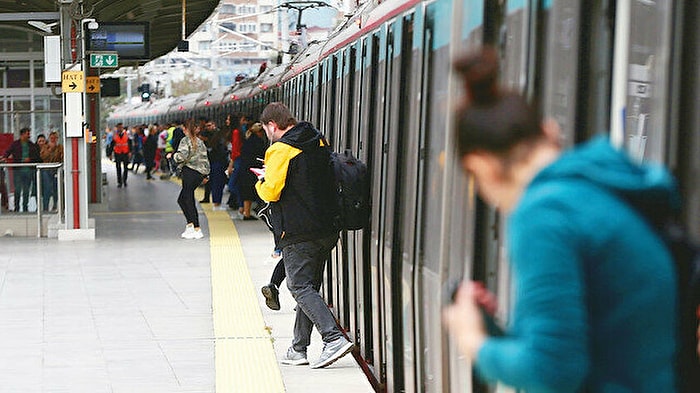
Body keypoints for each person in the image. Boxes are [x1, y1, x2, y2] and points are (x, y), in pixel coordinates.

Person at [442, 47, 679, 392]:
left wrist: (474, 342)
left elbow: (551, 370)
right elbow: (592, 346)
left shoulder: (542, 213)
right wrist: (500, 335)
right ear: (549, 133)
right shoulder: (605, 188)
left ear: (481, 165)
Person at [255, 102, 353, 368]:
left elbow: (271, 191)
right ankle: (298, 348)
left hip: (298, 229)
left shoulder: (279, 149)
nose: (267, 134)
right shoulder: (318, 139)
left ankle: (333, 339)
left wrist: (260, 181)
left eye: (266, 130)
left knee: (299, 287)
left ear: (272, 126)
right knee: (309, 287)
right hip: (327, 227)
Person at [170, 120, 210, 239]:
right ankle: (190, 225)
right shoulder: (200, 142)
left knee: (188, 200)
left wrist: (173, 156)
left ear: (188, 129)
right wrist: (206, 174)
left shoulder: (185, 140)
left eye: (184, 128)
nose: (183, 130)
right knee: (183, 199)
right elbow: (206, 159)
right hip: (198, 174)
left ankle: (196, 228)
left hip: (189, 172)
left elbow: (181, 156)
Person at [1, 127, 41, 212]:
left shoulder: (31, 145)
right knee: (17, 189)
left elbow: (37, 157)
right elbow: (8, 152)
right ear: (22, 134)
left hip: (28, 171)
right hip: (18, 170)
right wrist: (4, 157)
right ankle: (17, 207)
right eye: (27, 133)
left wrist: (30, 159)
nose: (29, 135)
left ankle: (25, 207)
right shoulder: (15, 144)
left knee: (26, 190)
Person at [239, 122, 266, 220]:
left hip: (246, 168)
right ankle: (246, 213)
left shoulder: (248, 140)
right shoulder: (257, 141)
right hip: (252, 169)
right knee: (249, 191)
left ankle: (245, 211)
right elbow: (259, 155)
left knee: (247, 191)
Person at [39, 131, 63, 211]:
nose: (53, 140)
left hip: (56, 170)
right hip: (46, 169)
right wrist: (50, 150)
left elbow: (61, 157)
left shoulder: (60, 147)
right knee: (47, 189)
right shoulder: (45, 147)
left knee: (56, 188)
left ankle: (55, 205)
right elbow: (43, 157)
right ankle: (45, 207)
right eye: (51, 138)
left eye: (55, 138)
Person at [226, 114, 244, 210]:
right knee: (235, 184)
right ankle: (241, 205)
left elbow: (235, 150)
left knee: (232, 185)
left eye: (228, 119)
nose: (226, 121)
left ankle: (242, 204)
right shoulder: (237, 131)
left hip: (237, 160)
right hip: (238, 160)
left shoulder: (236, 132)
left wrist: (230, 165)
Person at [110, 123, 132, 188]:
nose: (120, 129)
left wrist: (130, 152)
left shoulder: (127, 135)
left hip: (125, 153)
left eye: (121, 127)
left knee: (126, 168)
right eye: (119, 127)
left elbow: (130, 144)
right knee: (118, 168)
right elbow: (111, 145)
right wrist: (110, 154)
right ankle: (119, 182)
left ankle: (124, 180)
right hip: (118, 153)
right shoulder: (115, 136)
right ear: (117, 128)